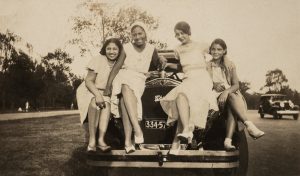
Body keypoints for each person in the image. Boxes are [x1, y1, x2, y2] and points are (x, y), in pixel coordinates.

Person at [104, 22, 165, 154]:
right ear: (131, 35)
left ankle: (129, 141)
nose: (137, 37)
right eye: (134, 34)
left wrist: (161, 59)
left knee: (124, 100)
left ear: (145, 34)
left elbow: (157, 66)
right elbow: (117, 67)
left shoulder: (152, 48)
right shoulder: (126, 47)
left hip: (139, 79)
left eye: (140, 33)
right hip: (124, 76)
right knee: (125, 87)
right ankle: (136, 132)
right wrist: (108, 86)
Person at [160, 21, 219, 155]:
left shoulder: (201, 45)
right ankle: (186, 130)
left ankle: (176, 142)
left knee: (184, 94)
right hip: (188, 79)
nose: (180, 36)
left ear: (188, 33)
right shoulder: (177, 49)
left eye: (182, 33)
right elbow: (181, 67)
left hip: (202, 78)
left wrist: (223, 63)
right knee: (180, 95)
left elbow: (217, 52)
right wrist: (166, 63)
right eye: (177, 34)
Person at [207, 38, 265, 151]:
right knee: (232, 98)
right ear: (210, 50)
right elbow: (204, 82)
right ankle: (249, 125)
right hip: (213, 96)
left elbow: (236, 85)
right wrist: (213, 84)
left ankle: (227, 141)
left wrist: (226, 92)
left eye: (219, 49)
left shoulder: (230, 65)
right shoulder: (207, 65)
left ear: (224, 51)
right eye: (213, 49)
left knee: (232, 104)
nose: (216, 52)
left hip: (229, 95)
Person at [78, 38, 123, 152]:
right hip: (91, 90)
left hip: (107, 94)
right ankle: (92, 141)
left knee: (106, 105)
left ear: (119, 50)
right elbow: (88, 81)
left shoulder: (121, 63)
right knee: (95, 103)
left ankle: (101, 140)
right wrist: (98, 95)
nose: (111, 51)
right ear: (104, 49)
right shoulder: (98, 59)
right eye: (108, 48)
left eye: (114, 49)